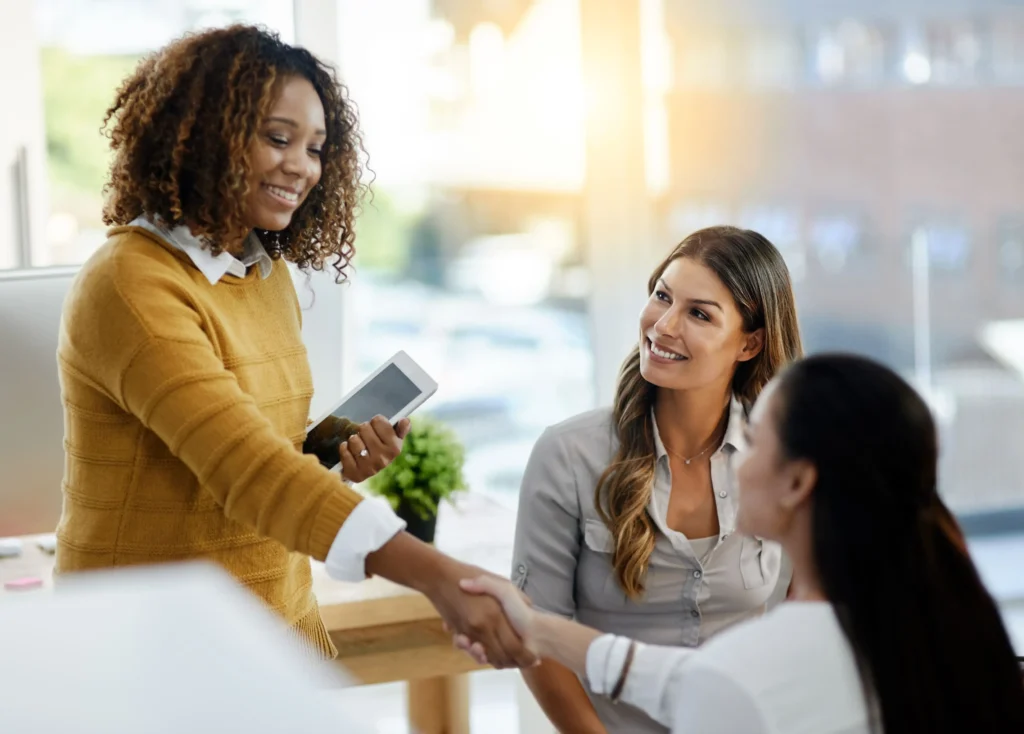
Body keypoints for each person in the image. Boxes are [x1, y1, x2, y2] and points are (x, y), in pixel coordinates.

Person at [54, 24, 533, 669]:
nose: (302, 167)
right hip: (145, 648)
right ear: (200, 135)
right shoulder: (131, 282)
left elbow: (261, 444)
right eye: (278, 138)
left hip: (271, 622)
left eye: (315, 148)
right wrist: (439, 575)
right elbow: (246, 472)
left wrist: (328, 449)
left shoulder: (262, 274)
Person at [461, 354, 1024, 733]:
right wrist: (536, 627)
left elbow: (711, 686)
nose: (735, 457)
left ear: (799, 482)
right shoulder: (944, 632)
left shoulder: (744, 678)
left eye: (752, 440)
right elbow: (670, 677)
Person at [510, 226, 802, 732]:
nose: (663, 325)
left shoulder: (781, 459)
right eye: (662, 296)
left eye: (698, 313)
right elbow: (536, 637)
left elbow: (797, 628)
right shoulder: (568, 454)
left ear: (749, 344)